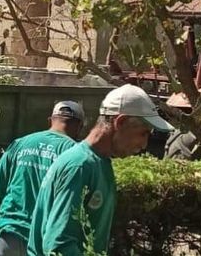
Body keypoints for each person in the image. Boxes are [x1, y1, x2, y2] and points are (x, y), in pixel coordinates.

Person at [27, 84, 174, 256]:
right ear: (120, 122)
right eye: (143, 133)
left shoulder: (99, 163)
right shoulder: (80, 166)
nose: (144, 145)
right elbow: (59, 245)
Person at [0, 101, 86, 256]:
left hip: (8, 234)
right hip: (43, 242)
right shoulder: (76, 154)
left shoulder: (21, 143)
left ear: (50, 120)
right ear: (80, 127)